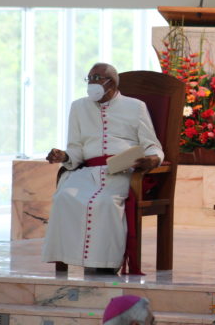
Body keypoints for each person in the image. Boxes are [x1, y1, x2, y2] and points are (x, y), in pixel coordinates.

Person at [42, 63, 163, 274]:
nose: (92, 83)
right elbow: (76, 148)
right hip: (87, 172)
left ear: (112, 83)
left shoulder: (136, 107)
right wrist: (64, 156)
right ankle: (66, 257)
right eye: (89, 78)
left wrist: (152, 160)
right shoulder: (78, 107)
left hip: (121, 170)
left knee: (106, 202)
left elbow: (152, 145)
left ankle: (106, 264)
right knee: (64, 196)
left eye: (97, 78)